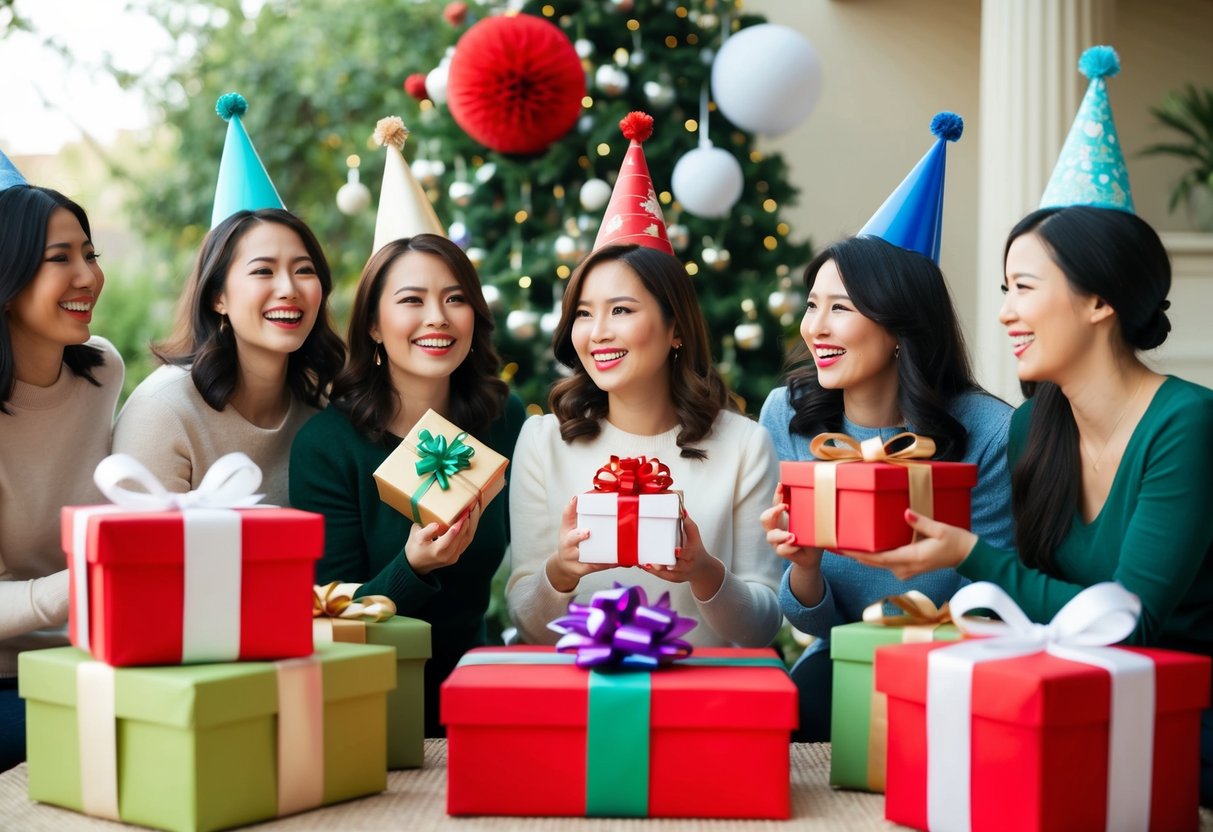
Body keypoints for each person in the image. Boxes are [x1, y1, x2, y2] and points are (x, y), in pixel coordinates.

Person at [850, 205, 1213, 804]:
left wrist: (970, 553)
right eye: (1004, 289)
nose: (1004, 312)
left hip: (1172, 726)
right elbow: (1038, 607)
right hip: (1075, 706)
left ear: (1099, 302)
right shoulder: (1034, 431)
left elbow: (1130, 626)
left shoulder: (1186, 426)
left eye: (1023, 288)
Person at [757, 111, 1013, 741]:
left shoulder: (988, 432)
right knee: (797, 712)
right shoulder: (788, 418)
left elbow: (998, 597)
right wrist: (807, 566)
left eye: (841, 308)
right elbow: (814, 628)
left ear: (901, 329)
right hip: (841, 658)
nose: (815, 328)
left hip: (961, 660)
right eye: (812, 306)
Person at [290, 118, 523, 738]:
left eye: (455, 297)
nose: (437, 318)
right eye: (411, 300)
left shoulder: (505, 417)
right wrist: (412, 568)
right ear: (373, 324)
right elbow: (328, 617)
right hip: (366, 705)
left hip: (480, 691)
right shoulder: (327, 445)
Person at [0, 176, 124, 771]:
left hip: (95, 653)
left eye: (90, 254)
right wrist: (68, 591)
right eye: (60, 259)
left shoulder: (102, 371)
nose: (89, 277)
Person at [112, 208, 344, 506]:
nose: (289, 289)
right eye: (263, 271)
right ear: (217, 297)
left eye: (304, 270)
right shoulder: (163, 411)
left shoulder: (320, 411)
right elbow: (142, 547)